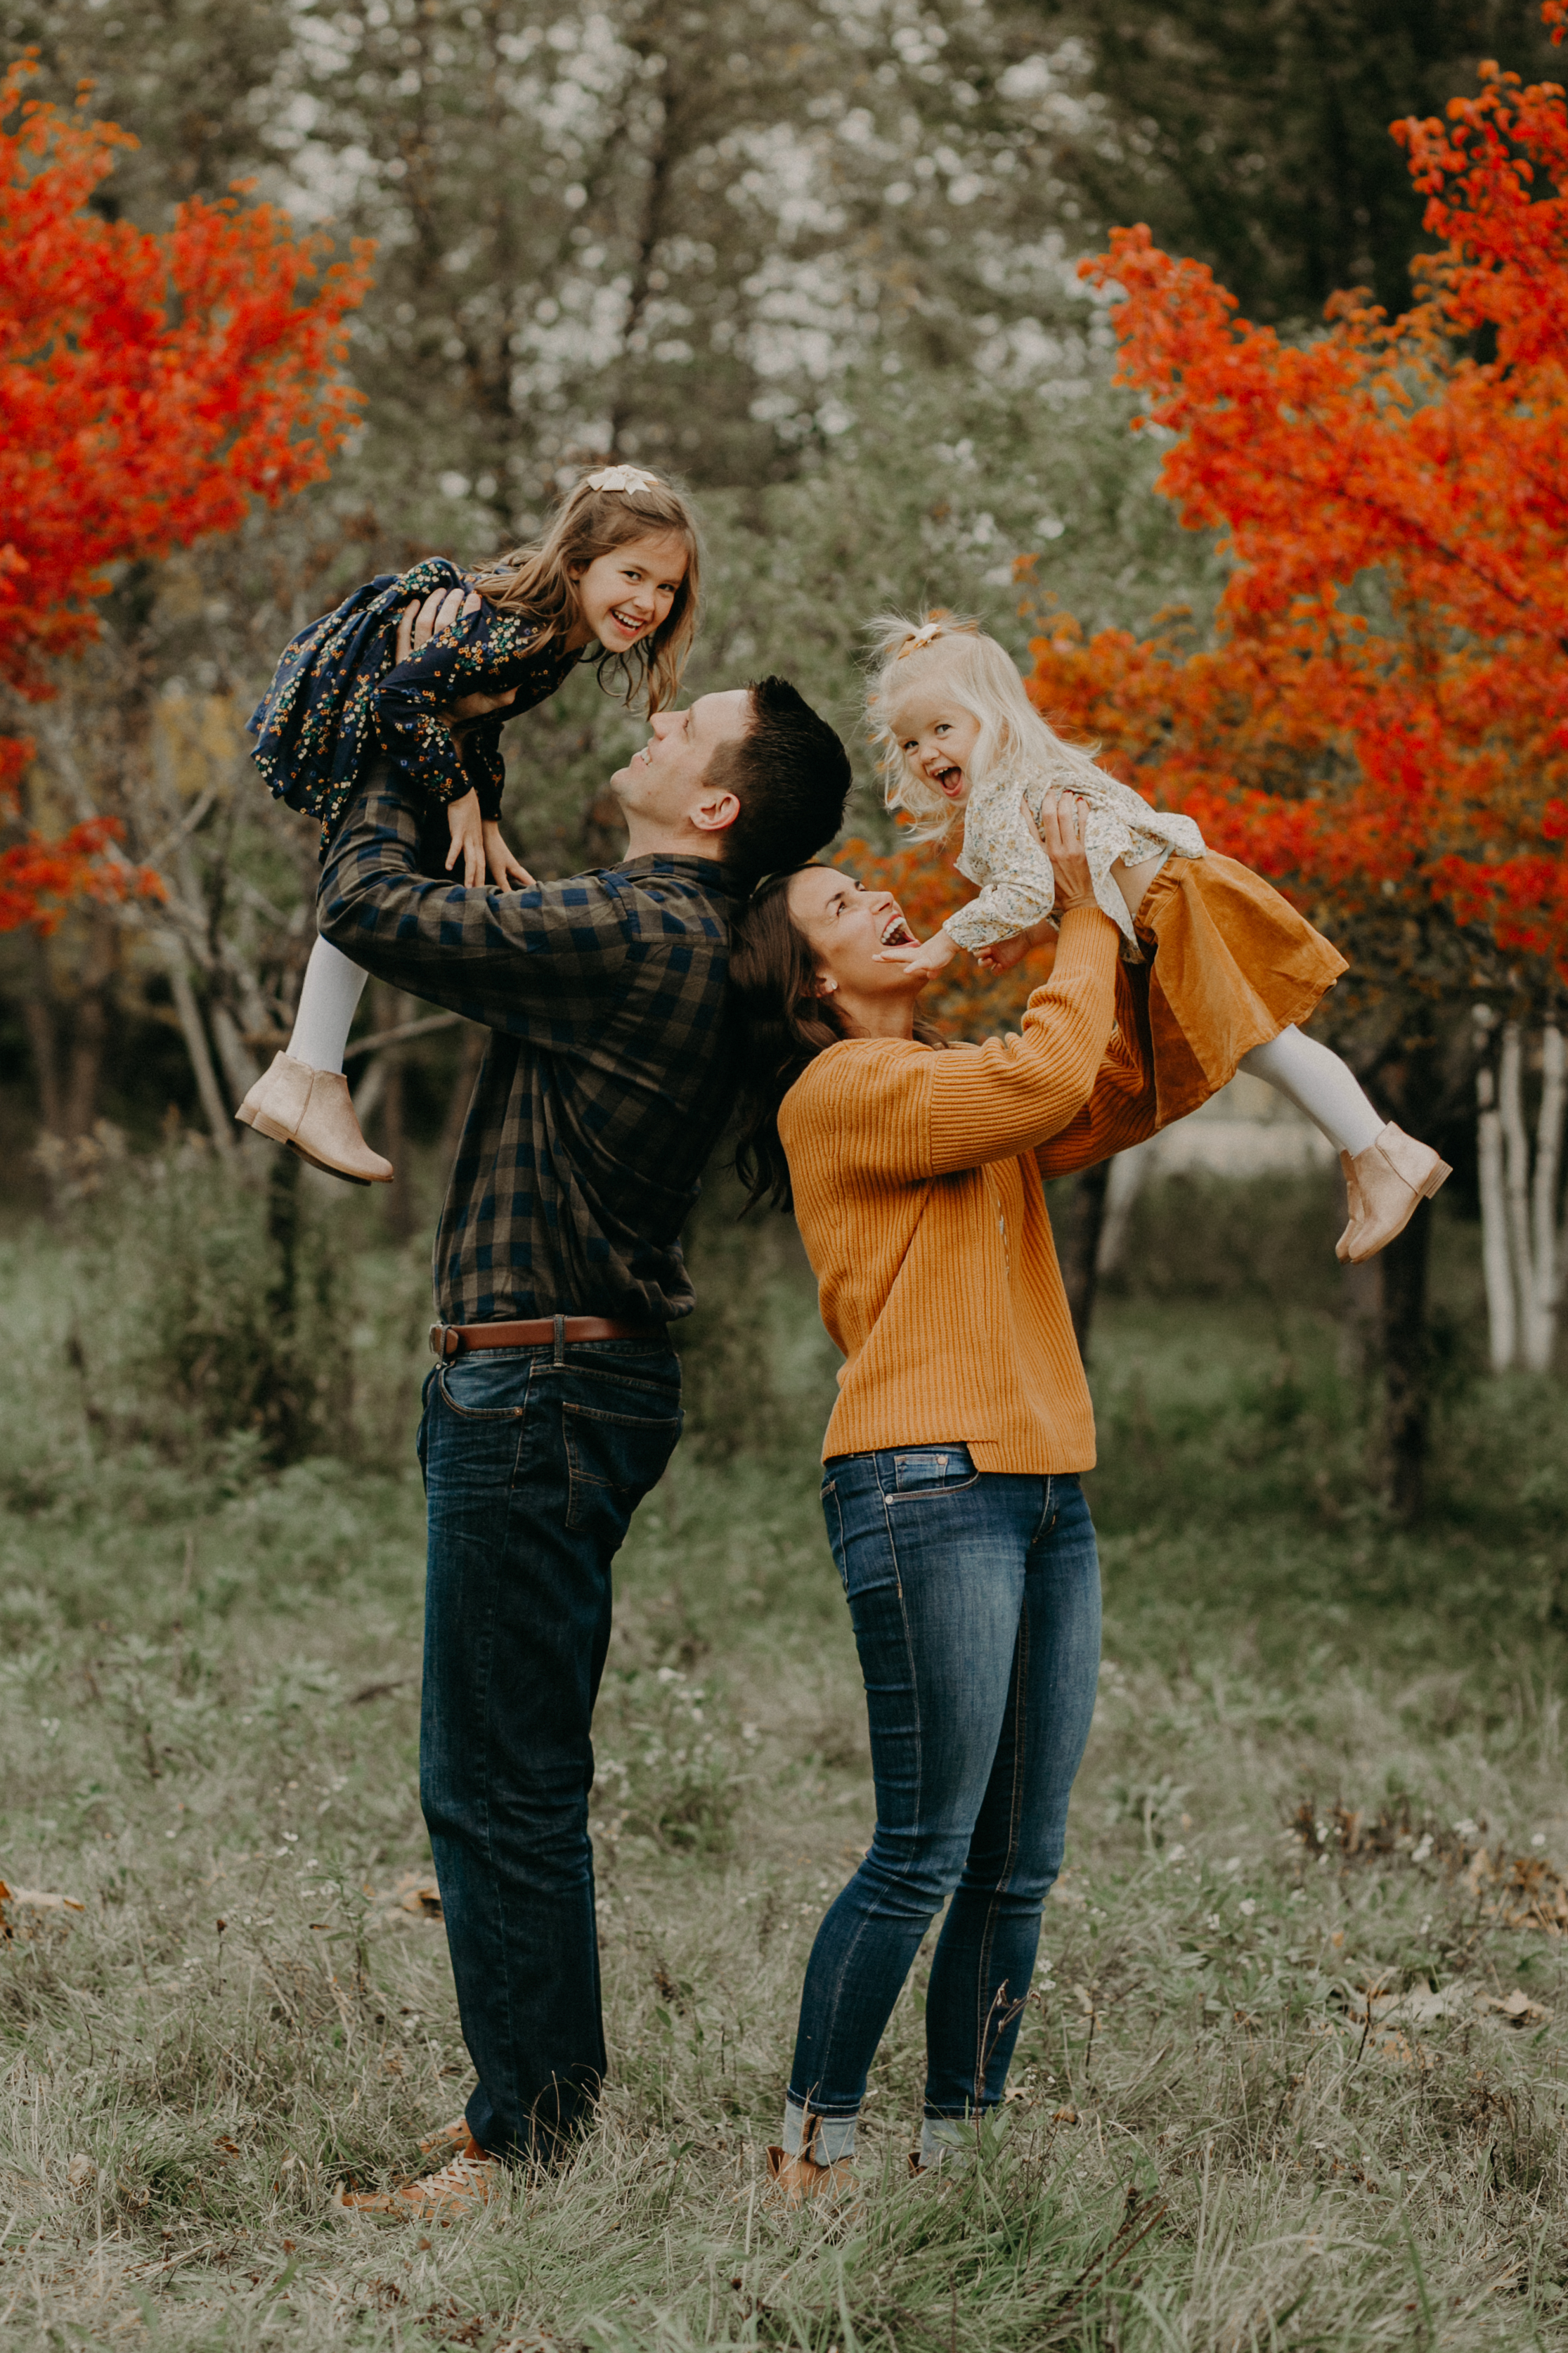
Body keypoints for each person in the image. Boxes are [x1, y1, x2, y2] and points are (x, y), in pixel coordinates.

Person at [320, 581, 852, 2214]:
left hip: (540, 1386)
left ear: (711, 804)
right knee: (508, 1766)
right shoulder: (648, 927)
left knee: (497, 1780)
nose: (658, 710)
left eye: (686, 724)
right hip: (559, 1383)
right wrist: (458, 759)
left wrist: (393, 734)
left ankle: (528, 2140)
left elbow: (371, 907)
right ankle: (528, 2109)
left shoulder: (638, 927)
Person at [728, 798, 1159, 2200]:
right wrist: (1082, 910)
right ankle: (810, 2147)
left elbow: (1089, 1085)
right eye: (840, 904)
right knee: (920, 1850)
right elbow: (1041, 1082)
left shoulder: (945, 1077)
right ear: (809, 984)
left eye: (865, 885)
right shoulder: (842, 1091)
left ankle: (955, 2154)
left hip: (1042, 1484)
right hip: (923, 1483)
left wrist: (1140, 916)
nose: (878, 902)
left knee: (1015, 1863)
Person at [864, 611, 1451, 1264]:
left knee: (1264, 1045)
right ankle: (1368, 1155)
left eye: (941, 729)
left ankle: (1382, 1153)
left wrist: (943, 942)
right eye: (910, 743)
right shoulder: (1021, 775)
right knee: (1264, 1046)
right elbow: (1056, 886)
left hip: (1176, 908)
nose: (926, 754)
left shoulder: (1007, 790)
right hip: (1165, 913)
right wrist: (1029, 937)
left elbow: (1031, 887)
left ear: (993, 716)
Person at [237, 465, 700, 1183]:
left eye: (666, 587)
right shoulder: (524, 626)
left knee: (410, 877)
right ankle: (307, 1073)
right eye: (633, 574)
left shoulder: (558, 635)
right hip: (356, 698)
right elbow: (401, 697)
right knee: (377, 884)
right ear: (577, 564)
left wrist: (484, 813)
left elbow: (478, 711)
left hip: (400, 713)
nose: (649, 601)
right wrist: (456, 795)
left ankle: (307, 1072)